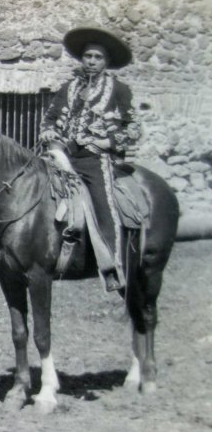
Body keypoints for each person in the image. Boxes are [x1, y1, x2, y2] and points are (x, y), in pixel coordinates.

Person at [40, 27, 141, 292]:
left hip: (95, 160)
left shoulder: (119, 90)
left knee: (103, 205)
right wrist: (52, 138)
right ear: (81, 59)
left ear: (106, 61)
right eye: (88, 56)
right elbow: (49, 119)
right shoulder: (68, 88)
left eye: (98, 57)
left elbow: (133, 128)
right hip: (63, 156)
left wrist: (106, 141)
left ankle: (114, 268)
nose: (92, 61)